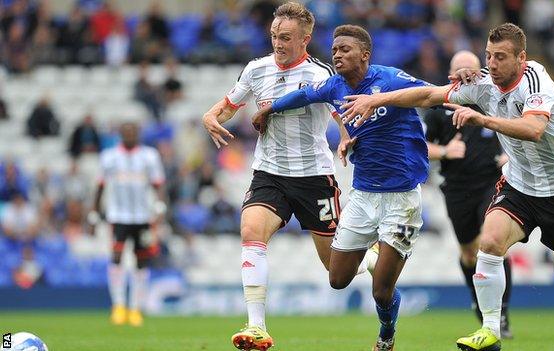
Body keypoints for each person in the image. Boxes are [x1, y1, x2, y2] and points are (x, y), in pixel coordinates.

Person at [340, 23, 554, 351]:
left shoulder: (536, 81)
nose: (493, 64)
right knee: (489, 242)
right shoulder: (484, 84)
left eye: (500, 57)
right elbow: (429, 94)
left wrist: (481, 119)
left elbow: (533, 129)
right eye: (489, 55)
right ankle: (490, 330)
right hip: (518, 187)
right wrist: (378, 99)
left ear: (521, 58)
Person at [201, 4, 376, 350]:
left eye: (285, 38)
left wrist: (344, 135)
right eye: (274, 36)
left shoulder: (319, 75)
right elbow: (228, 104)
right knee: (251, 229)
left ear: (305, 39)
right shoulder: (256, 69)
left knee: (336, 269)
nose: (278, 44)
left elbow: (341, 108)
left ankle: (372, 258)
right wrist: (211, 115)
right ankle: (256, 328)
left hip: (314, 177)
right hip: (270, 173)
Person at [252, 24, 429, 351]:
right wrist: (269, 108)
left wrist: (379, 100)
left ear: (365, 54)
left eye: (345, 49)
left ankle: (386, 332)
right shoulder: (334, 86)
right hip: (362, 197)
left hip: (402, 199)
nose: (337, 55)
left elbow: (430, 94)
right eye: (334, 50)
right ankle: (375, 254)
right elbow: (304, 95)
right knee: (337, 280)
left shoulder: (388, 78)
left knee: (381, 292)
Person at [424, 50, 513, 338]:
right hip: (456, 187)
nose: (464, 75)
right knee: (468, 253)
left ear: (482, 72)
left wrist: (510, 157)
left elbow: (517, 131)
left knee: (493, 240)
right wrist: (445, 151)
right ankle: (478, 300)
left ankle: (500, 312)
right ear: (450, 73)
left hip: (491, 183)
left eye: (470, 70)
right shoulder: (440, 108)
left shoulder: (493, 101)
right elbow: (419, 147)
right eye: (458, 70)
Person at [89, 122, 167, 327]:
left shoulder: (149, 156)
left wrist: (160, 207)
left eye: (133, 131)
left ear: (138, 133)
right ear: (121, 134)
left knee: (142, 261)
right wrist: (94, 215)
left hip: (143, 217)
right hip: (118, 216)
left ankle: (135, 309)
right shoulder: (109, 157)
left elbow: (158, 184)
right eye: (126, 132)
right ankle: (118, 306)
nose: (130, 135)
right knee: (116, 257)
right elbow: (99, 187)